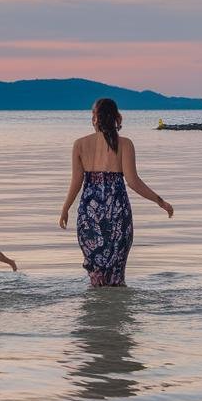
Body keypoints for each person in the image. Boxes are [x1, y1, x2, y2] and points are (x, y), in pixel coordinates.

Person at [60, 98, 174, 287]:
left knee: (96, 276)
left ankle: (96, 314)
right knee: (117, 277)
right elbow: (133, 182)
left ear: (94, 118)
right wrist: (160, 201)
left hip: (89, 216)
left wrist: (65, 209)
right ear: (117, 117)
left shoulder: (80, 144)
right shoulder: (125, 144)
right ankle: (118, 315)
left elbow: (76, 182)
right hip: (117, 214)